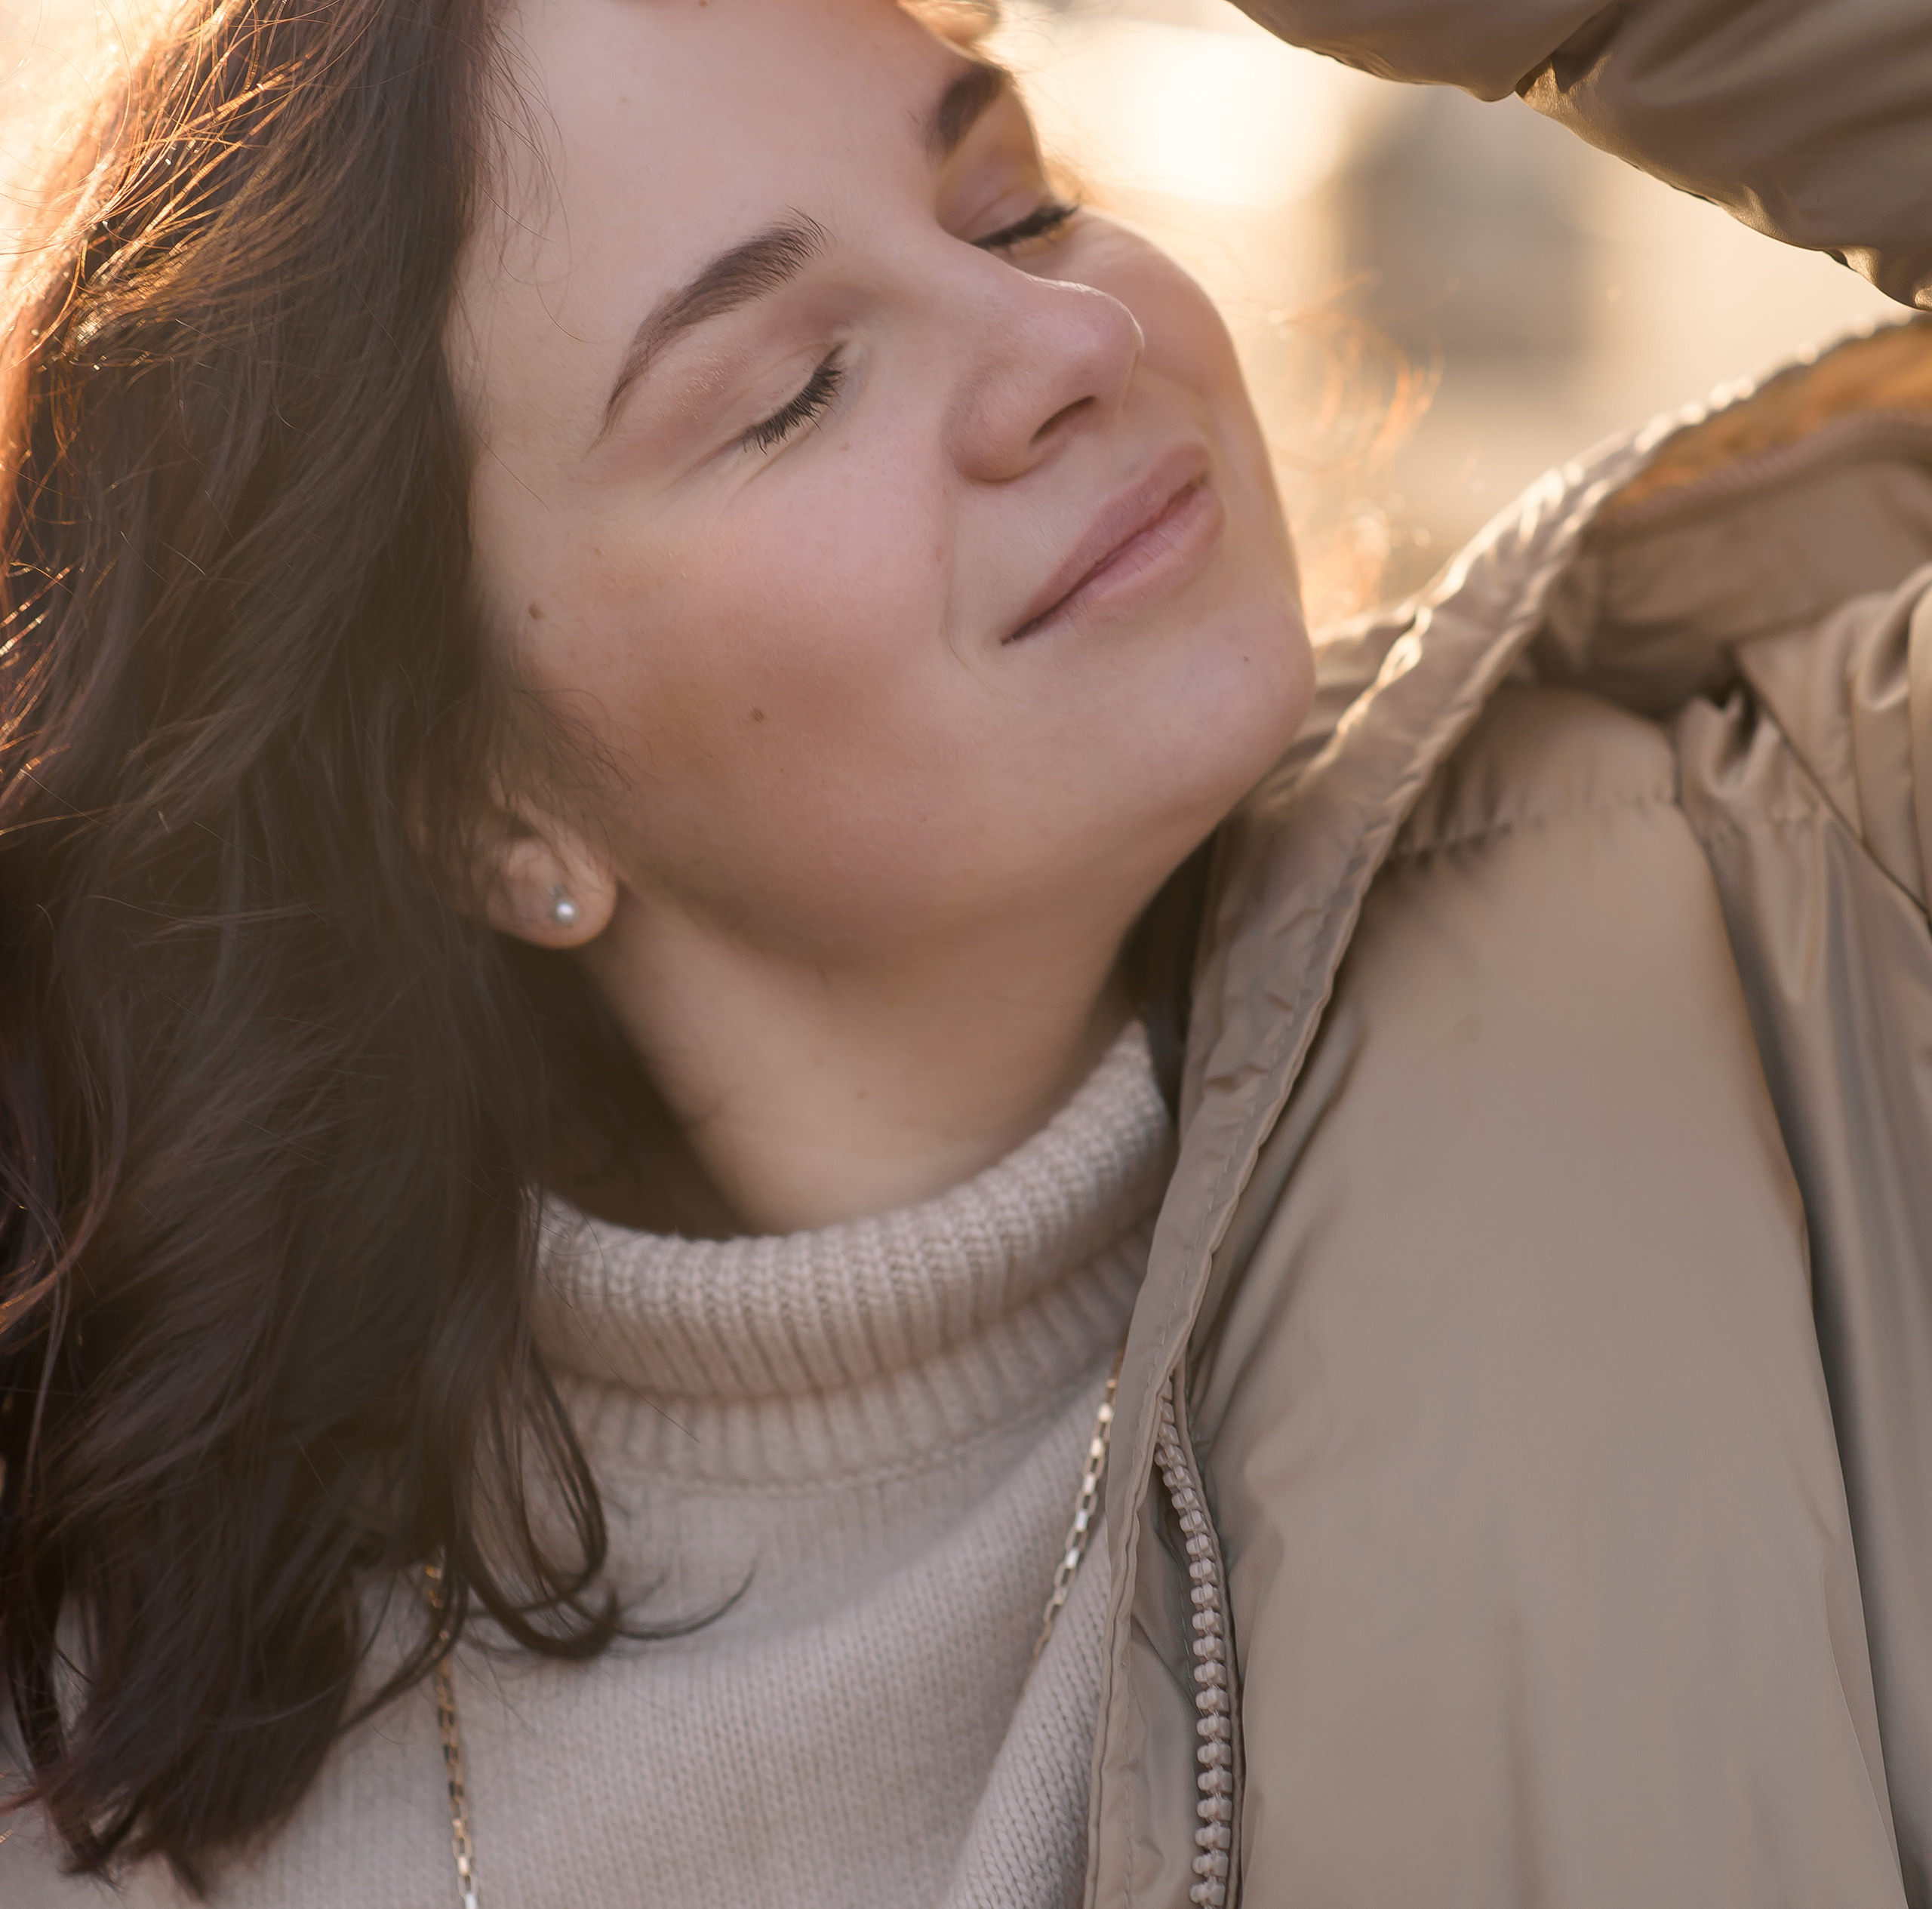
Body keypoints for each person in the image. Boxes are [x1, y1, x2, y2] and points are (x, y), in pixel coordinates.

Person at [0, 0, 1927, 1904]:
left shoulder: (1803, 909)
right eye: (791, 389)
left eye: (1017, 210)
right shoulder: (112, 1758)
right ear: (477, 806)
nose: (1069, 339)